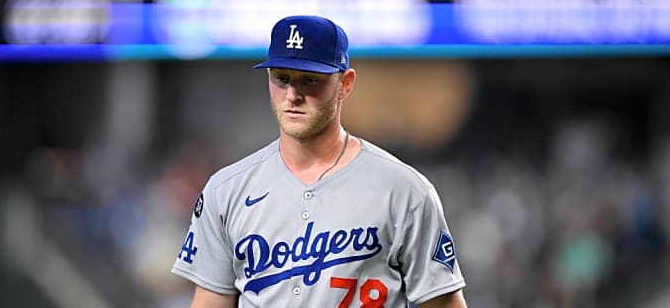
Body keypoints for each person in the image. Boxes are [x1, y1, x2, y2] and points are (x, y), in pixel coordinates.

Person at [171, 15, 467, 307]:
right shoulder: (226, 190)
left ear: (345, 84)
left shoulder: (405, 192)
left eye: (309, 80)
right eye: (282, 78)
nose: (292, 95)